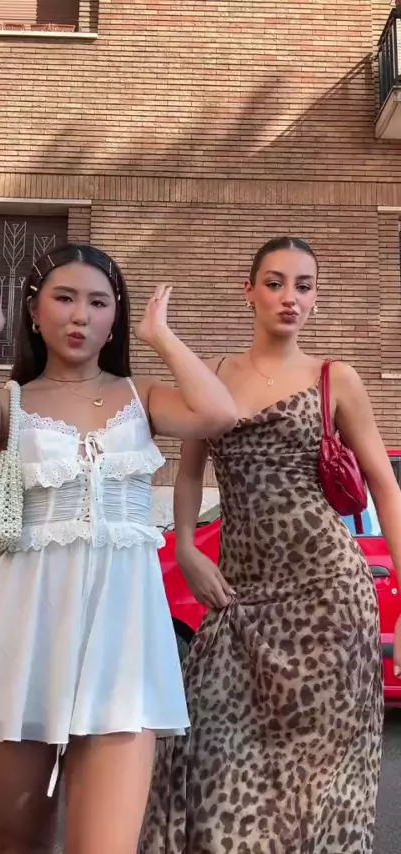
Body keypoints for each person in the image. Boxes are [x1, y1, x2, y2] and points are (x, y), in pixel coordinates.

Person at [0, 242, 238, 854]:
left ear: (114, 317)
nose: (79, 316)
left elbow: (218, 412)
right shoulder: (11, 404)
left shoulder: (143, 398)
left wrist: (161, 337)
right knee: (18, 841)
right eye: (63, 298)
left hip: (123, 644)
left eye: (98, 302)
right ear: (34, 310)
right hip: (22, 636)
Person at [140, 236, 401, 854]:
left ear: (315, 299)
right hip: (240, 598)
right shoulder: (214, 375)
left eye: (303, 286)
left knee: (322, 784)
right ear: (249, 291)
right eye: (276, 282)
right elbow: (188, 473)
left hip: (330, 602)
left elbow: (385, 488)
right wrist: (185, 546)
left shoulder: (336, 379)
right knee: (208, 757)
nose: (290, 297)